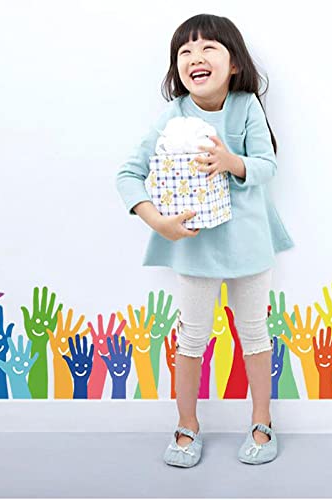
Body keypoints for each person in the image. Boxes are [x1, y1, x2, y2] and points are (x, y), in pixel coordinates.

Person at [116, 13, 294, 467]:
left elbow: (267, 167)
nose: (195, 57)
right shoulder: (172, 115)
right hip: (193, 246)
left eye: (208, 47)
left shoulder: (246, 105)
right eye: (184, 51)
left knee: (254, 334)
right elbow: (128, 174)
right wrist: (158, 221)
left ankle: (261, 420)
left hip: (248, 244)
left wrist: (231, 161)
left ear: (234, 63)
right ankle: (186, 424)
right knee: (191, 338)